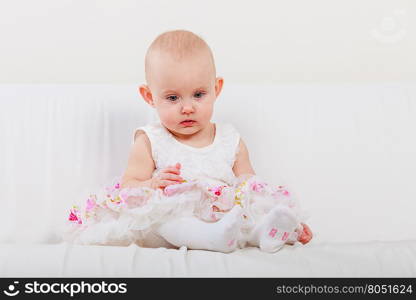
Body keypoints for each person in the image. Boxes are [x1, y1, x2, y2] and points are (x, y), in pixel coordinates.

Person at [64, 29, 313, 253]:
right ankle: (209, 237)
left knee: (247, 209)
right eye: (172, 98)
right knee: (166, 220)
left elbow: (251, 186)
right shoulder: (151, 139)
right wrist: (152, 183)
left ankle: (267, 232)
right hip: (173, 217)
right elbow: (128, 186)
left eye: (199, 94)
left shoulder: (230, 140)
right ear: (149, 96)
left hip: (223, 216)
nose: (187, 108)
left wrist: (273, 212)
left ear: (217, 88)